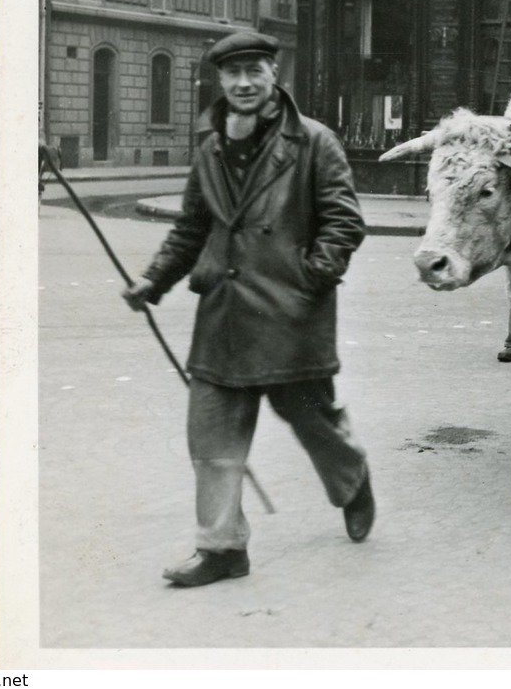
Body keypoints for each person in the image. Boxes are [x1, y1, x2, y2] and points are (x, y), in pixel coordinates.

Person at [121, 31, 373, 588]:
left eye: (254, 71)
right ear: (220, 81)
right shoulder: (209, 147)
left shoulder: (313, 142)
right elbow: (191, 228)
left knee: (314, 422)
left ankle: (352, 478)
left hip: (292, 317)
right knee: (212, 441)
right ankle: (222, 549)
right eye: (232, 74)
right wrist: (153, 280)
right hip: (223, 316)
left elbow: (343, 221)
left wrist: (310, 279)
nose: (243, 83)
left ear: (273, 75)